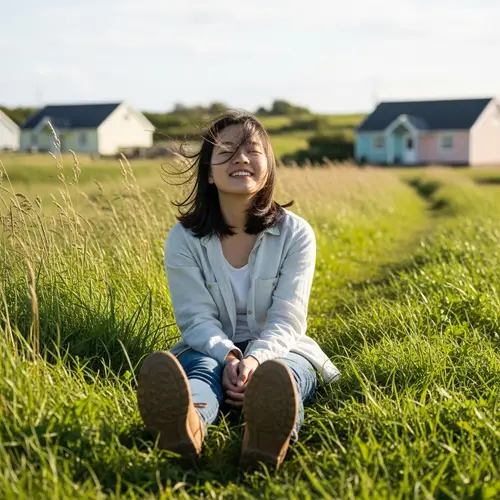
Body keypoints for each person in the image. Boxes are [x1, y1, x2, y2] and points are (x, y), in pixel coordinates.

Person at [137, 110, 341, 469]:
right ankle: (188, 428)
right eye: (227, 150)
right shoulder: (183, 239)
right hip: (208, 347)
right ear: (210, 173)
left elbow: (287, 319)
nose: (241, 158)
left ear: (268, 167)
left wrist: (255, 359)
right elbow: (195, 318)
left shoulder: (296, 234)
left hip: (282, 348)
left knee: (283, 375)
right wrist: (230, 356)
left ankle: (264, 441)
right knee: (201, 370)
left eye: (252, 150)